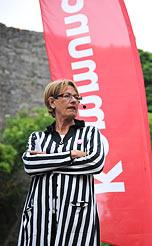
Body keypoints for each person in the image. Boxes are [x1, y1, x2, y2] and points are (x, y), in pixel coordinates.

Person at [18, 79, 105, 246]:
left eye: (76, 97)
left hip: (78, 218)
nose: (74, 101)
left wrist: (46, 162)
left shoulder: (90, 133)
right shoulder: (38, 137)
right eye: (67, 96)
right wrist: (70, 155)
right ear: (52, 102)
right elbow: (29, 165)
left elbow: (95, 163)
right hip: (39, 217)